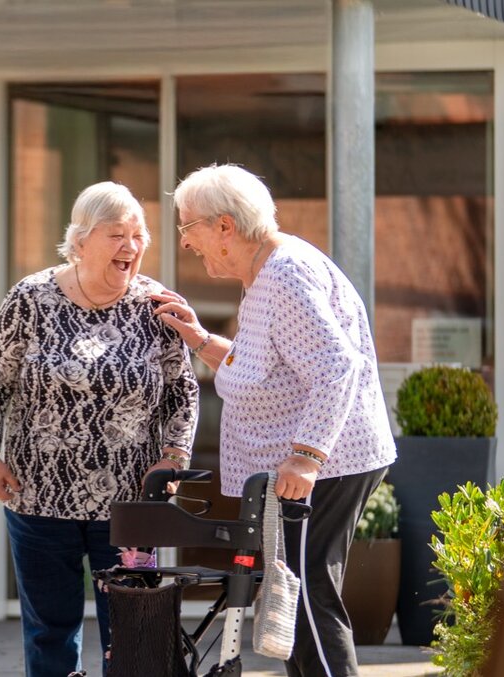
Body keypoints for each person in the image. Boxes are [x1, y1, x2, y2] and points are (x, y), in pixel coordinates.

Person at [152, 164, 397, 677]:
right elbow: (265, 370)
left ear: (224, 226)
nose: (186, 242)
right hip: (320, 464)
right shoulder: (266, 272)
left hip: (326, 466)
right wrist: (199, 338)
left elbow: (337, 364)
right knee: (294, 600)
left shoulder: (284, 274)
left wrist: (306, 457)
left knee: (304, 595)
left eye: (187, 227)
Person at [0, 181, 200, 677]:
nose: (132, 247)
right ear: (79, 240)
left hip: (131, 503)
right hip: (37, 496)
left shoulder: (156, 307)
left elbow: (183, 390)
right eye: (118, 234)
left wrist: (175, 455)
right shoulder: (30, 298)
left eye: (139, 235)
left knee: (135, 631)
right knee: (50, 630)